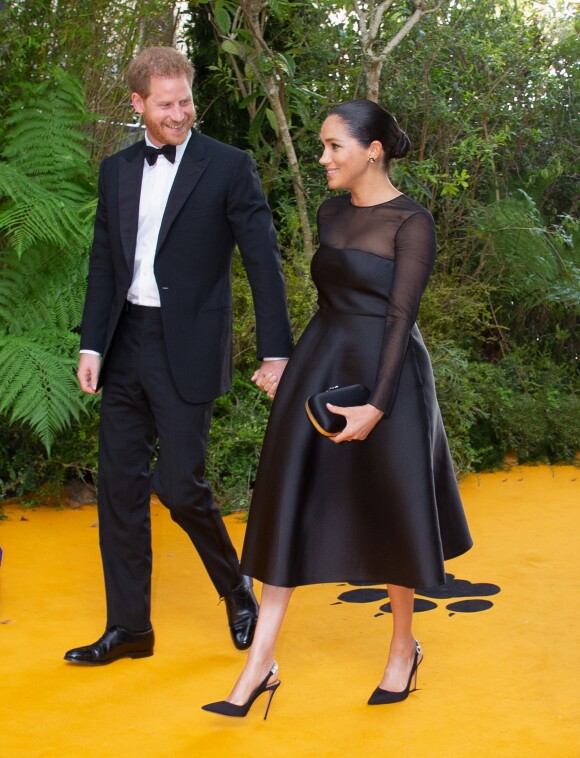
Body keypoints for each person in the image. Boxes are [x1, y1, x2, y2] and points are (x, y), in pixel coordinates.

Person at [201, 99, 473, 717]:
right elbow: (330, 305)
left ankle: (403, 648)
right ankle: (259, 665)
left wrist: (377, 407)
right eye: (321, 147)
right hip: (322, 364)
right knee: (289, 504)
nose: (323, 158)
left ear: (371, 151)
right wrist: (294, 369)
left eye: (333, 147)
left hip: (389, 378)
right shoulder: (329, 213)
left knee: (391, 512)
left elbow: (400, 321)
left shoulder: (412, 223)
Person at [64, 47, 293, 665]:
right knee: (118, 488)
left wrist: (278, 352)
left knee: (181, 485)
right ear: (137, 104)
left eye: (185, 101)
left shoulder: (228, 166)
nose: (179, 114)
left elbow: (263, 265)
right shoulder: (115, 170)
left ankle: (235, 588)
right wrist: (92, 343)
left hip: (186, 345)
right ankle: (130, 628)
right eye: (165, 104)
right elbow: (105, 265)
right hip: (124, 343)